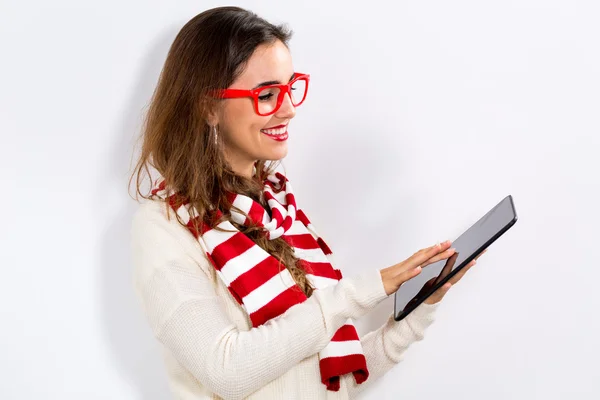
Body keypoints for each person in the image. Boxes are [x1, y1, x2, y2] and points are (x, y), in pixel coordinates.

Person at [129, 6, 480, 400]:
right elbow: (226, 371)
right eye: (266, 94)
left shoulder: (278, 208)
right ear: (208, 106)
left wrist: (417, 312)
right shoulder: (164, 227)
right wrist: (364, 290)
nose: (290, 109)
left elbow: (332, 379)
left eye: (289, 87)